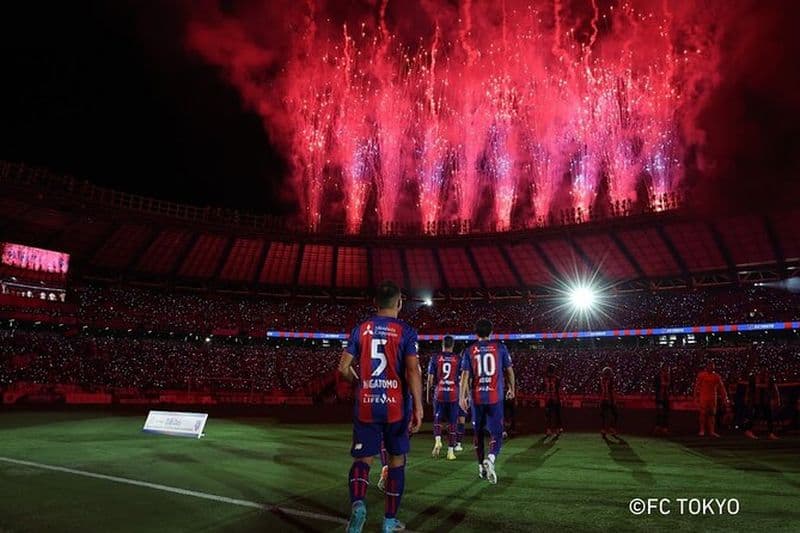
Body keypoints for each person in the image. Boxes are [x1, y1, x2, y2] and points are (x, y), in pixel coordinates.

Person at [338, 281, 423, 533]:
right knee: (397, 460)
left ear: (375, 304)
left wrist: (361, 382)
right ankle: (388, 521)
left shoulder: (361, 329)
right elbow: (412, 371)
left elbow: (343, 368)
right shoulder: (406, 331)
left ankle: (358, 506)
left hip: (366, 402)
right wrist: (418, 406)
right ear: (399, 303)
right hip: (396, 405)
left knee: (363, 459)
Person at [459, 319, 515, 485]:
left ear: (476, 333)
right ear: (491, 332)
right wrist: (512, 388)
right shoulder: (500, 348)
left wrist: (462, 397)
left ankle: (480, 467)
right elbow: (509, 371)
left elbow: (465, 376)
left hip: (477, 398)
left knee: (478, 434)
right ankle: (490, 459)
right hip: (494, 397)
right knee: (496, 433)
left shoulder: (469, 350)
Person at [427, 335, 460, 460]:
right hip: (453, 393)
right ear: (453, 345)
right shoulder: (458, 358)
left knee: (437, 418)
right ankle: (450, 452)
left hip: (439, 392)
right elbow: (462, 378)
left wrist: (428, 394)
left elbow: (430, 379)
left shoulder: (435, 358)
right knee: (452, 422)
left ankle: (438, 440)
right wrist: (464, 396)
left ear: (442, 344)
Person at [693, 359, 729, 437]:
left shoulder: (716, 376)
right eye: (710, 365)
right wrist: (695, 396)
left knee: (712, 415)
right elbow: (697, 386)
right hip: (704, 397)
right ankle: (702, 430)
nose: (711, 367)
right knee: (703, 414)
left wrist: (725, 397)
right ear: (707, 366)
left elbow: (721, 388)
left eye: (712, 365)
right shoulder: (701, 375)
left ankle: (711, 431)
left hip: (713, 397)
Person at [745, 365, 780, 440]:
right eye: (762, 370)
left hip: (766, 401)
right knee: (755, 416)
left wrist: (777, 399)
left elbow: (775, 389)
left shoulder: (770, 379)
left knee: (769, 417)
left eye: (765, 370)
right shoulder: (754, 379)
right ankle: (749, 430)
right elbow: (749, 389)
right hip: (757, 401)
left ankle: (770, 433)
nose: (763, 372)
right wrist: (748, 399)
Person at [543, 363, 563, 437]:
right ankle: (557, 429)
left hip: (549, 399)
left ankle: (549, 429)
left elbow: (544, 389)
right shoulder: (557, 378)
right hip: (555, 399)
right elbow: (559, 389)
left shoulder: (545, 379)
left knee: (549, 415)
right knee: (556, 415)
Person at [599, 367, 618, 437]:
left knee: (603, 416)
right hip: (609, 399)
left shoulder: (601, 380)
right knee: (615, 414)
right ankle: (612, 428)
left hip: (603, 399)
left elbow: (602, 390)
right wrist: (614, 400)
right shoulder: (610, 380)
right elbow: (611, 391)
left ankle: (603, 430)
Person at [654, 364, 671, 435]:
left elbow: (670, 386)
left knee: (665, 413)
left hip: (665, 397)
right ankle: (658, 427)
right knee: (659, 413)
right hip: (660, 397)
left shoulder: (668, 377)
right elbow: (656, 385)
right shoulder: (658, 376)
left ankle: (664, 428)